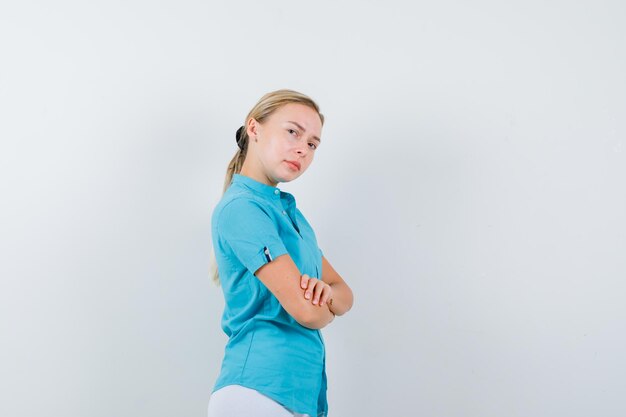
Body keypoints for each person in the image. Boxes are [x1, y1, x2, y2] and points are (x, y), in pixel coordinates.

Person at [207, 89, 354, 417]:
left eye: (313, 144)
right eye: (293, 132)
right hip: (258, 392)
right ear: (254, 129)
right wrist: (327, 308)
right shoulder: (242, 208)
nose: (303, 148)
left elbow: (346, 294)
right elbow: (307, 312)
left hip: (296, 394)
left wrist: (327, 294)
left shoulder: (288, 213)